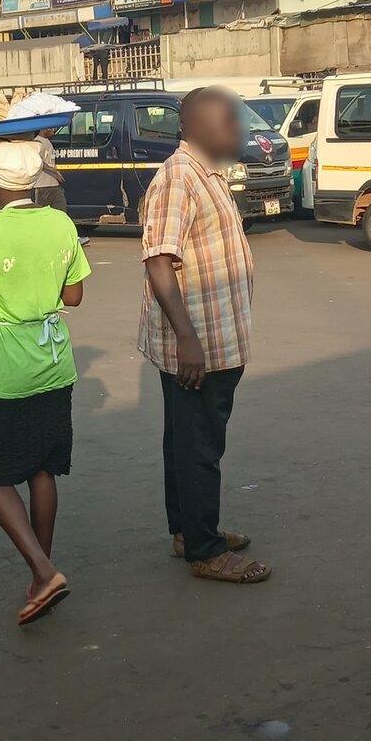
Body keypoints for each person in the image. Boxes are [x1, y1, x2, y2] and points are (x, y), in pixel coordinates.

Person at [0, 139, 91, 625]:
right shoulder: (60, 222)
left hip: (5, 369)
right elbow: (72, 296)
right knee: (41, 468)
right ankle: (42, 575)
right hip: (54, 364)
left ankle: (43, 570)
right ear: (34, 180)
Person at [138, 87, 271, 584]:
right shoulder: (178, 178)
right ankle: (206, 549)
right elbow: (158, 260)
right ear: (195, 128)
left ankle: (187, 529)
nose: (236, 132)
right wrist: (188, 340)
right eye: (227, 123)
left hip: (216, 338)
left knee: (185, 439)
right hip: (197, 346)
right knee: (199, 446)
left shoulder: (206, 172)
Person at [33, 128, 90, 246]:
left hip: (54, 185)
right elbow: (37, 161)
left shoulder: (47, 142)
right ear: (43, 129)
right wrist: (54, 171)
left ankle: (71, 238)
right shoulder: (37, 143)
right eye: (50, 128)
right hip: (42, 186)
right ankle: (38, 241)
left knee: (62, 214)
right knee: (40, 217)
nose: (53, 130)